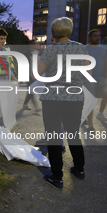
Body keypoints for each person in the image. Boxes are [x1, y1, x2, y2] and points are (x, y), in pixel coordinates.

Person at [35, 17, 90, 189]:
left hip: (53, 96)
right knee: (73, 133)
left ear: (53, 34)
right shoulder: (81, 48)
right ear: (70, 31)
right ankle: (79, 169)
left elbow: (38, 72)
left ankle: (57, 176)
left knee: (53, 135)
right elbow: (87, 70)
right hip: (74, 97)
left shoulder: (51, 50)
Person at [84, 29, 107, 132]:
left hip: (101, 79)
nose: (97, 37)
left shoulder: (103, 50)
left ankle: (90, 115)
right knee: (91, 102)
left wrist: (106, 77)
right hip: (88, 79)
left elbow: (105, 64)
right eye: (95, 36)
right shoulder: (84, 49)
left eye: (99, 35)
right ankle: (91, 125)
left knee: (104, 96)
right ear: (90, 37)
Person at [22, 40, 40, 111]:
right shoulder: (26, 53)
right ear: (29, 44)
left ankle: (25, 104)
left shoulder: (38, 53)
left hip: (37, 74)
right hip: (28, 74)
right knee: (31, 89)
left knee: (32, 90)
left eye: (35, 44)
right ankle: (35, 106)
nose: (34, 45)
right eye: (32, 44)